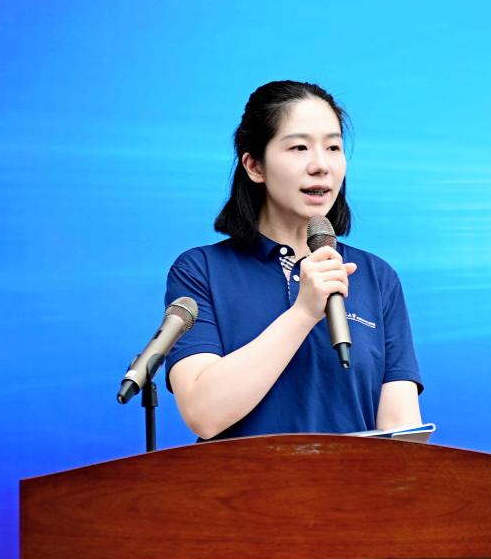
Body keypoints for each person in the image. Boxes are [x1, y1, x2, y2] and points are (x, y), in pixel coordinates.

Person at [164, 80, 423, 440]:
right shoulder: (201, 271)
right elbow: (203, 414)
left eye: (333, 147)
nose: (321, 165)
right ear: (255, 166)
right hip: (240, 479)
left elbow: (402, 429)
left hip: (352, 479)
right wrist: (303, 313)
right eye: (300, 147)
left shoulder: (376, 277)